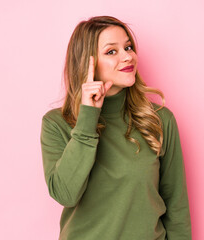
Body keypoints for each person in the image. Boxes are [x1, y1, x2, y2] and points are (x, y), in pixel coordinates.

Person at [40, 16, 192, 240]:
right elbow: (65, 194)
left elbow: (176, 206)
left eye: (128, 47)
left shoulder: (159, 120)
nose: (127, 56)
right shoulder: (57, 124)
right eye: (111, 51)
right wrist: (88, 118)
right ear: (87, 62)